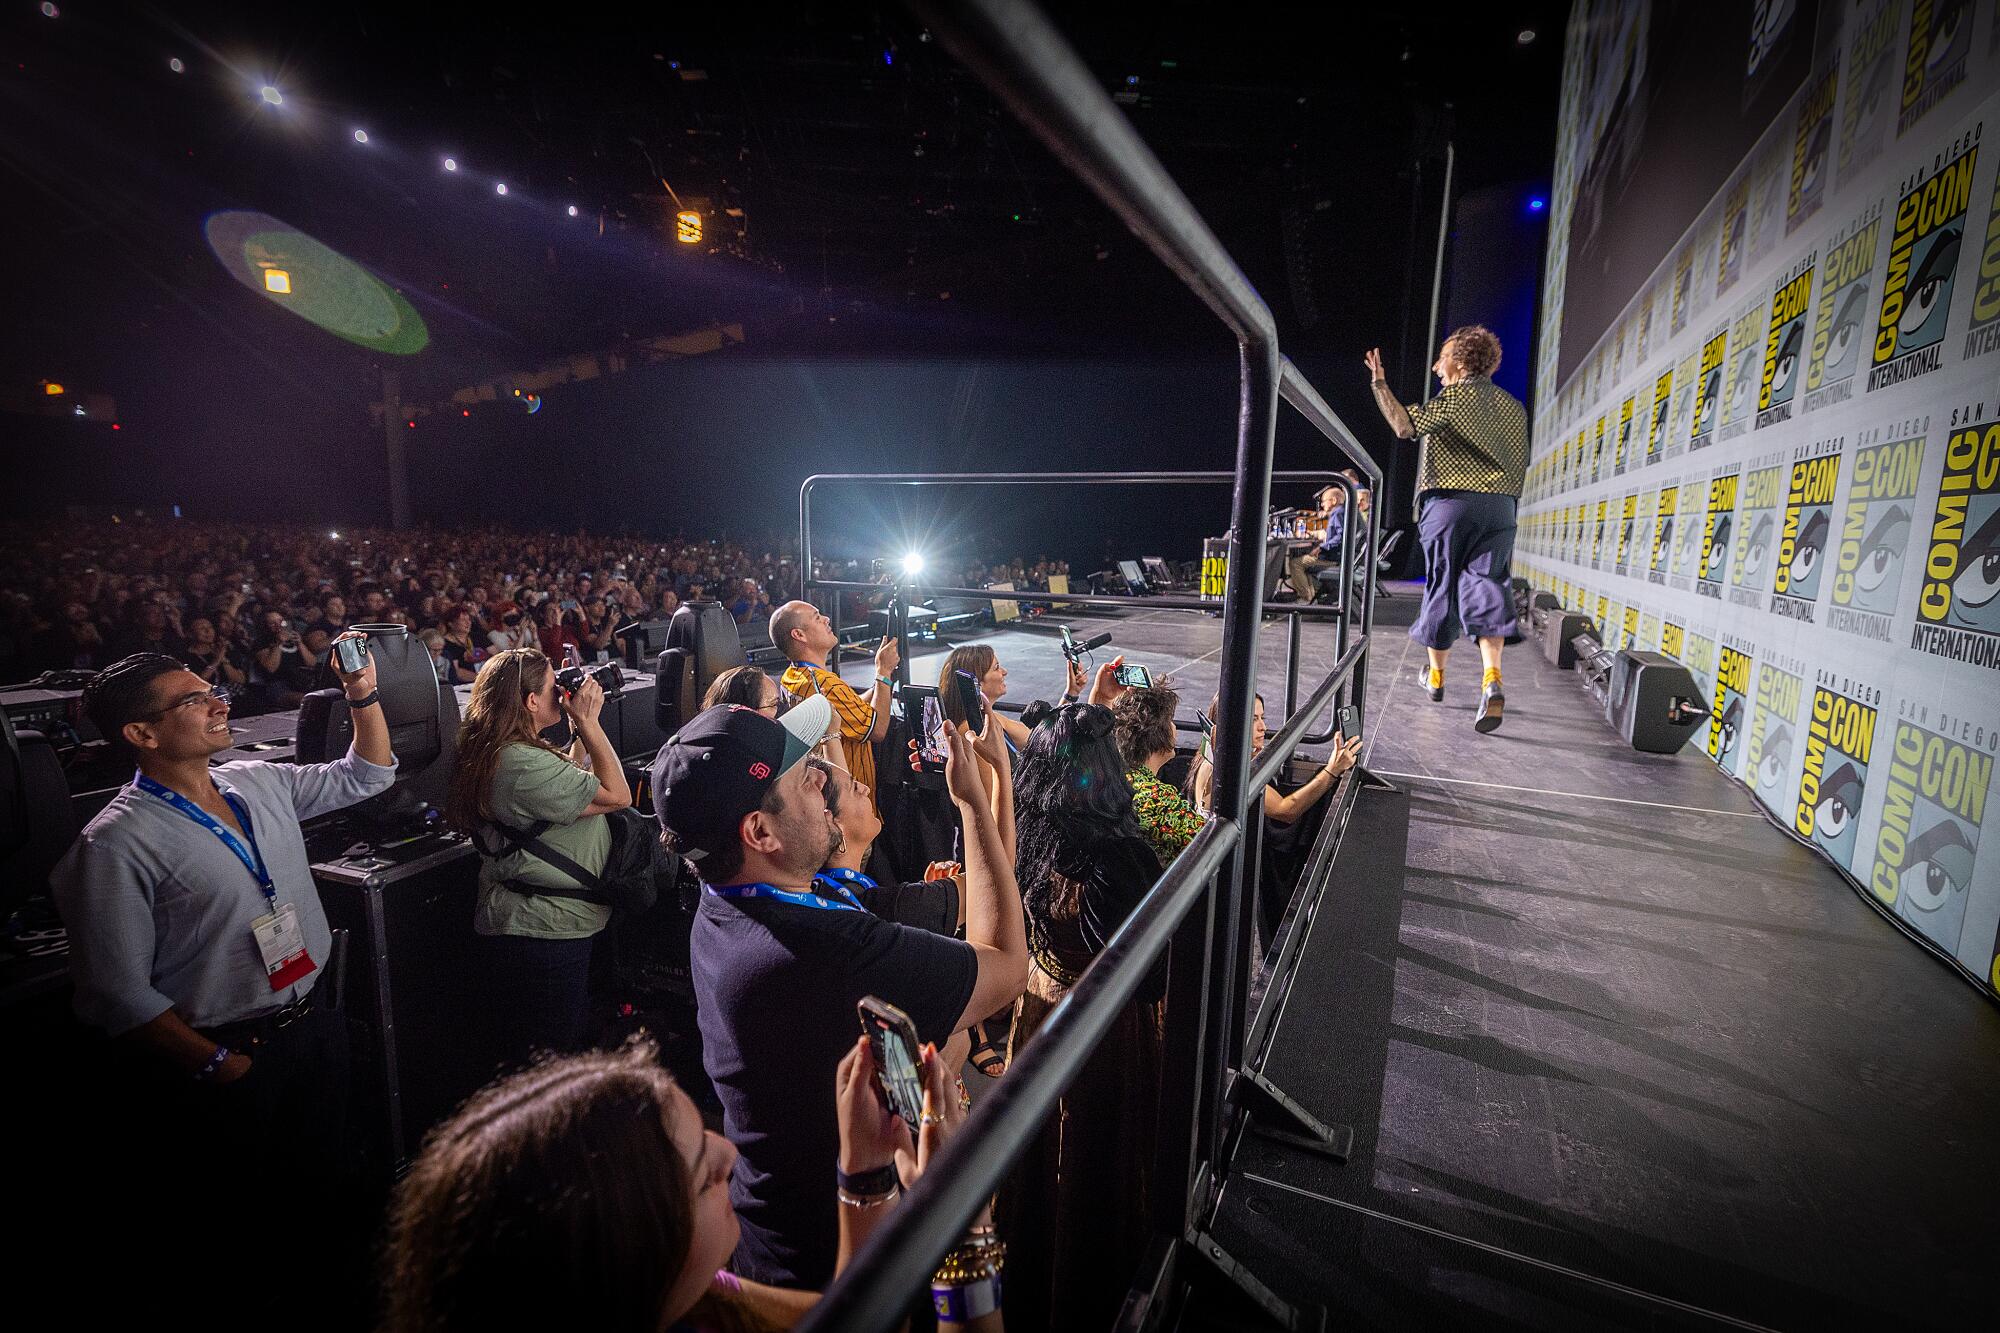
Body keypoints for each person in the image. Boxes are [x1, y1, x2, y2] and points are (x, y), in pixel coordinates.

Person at [50, 640, 394, 1319]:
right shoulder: (114, 843)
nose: (219, 700)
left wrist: (362, 692)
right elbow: (117, 993)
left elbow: (368, 775)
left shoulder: (256, 781)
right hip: (232, 1053)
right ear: (141, 733)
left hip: (314, 1025)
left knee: (323, 1203)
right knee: (246, 1234)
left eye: (213, 688)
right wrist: (219, 1065)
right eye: (193, 698)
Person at [653, 698, 1027, 1289]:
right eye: (806, 779)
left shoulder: (723, 899)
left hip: (777, 1240)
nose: (825, 780)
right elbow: (1006, 969)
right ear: (760, 833)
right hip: (840, 1277)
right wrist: (974, 801)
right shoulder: (818, 950)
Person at [380, 1036, 1002, 1333]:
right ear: (632, 1252)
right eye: (704, 1172)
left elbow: (852, 1324)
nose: (731, 1153)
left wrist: (864, 1171)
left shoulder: (703, 1298)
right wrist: (965, 1240)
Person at [999, 699, 1168, 1333]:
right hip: (1102, 1035)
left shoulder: (1034, 841)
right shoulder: (1119, 860)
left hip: (1040, 1012)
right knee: (1097, 1159)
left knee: (1041, 1161)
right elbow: (1147, 982)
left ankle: (1032, 1275)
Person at [445, 647, 633, 1069]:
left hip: (546, 926)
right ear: (531, 701)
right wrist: (588, 722)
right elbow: (616, 795)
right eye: (553, 686)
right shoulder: (518, 761)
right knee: (550, 1062)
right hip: (543, 932)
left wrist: (577, 732)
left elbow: (565, 784)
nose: (561, 692)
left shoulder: (505, 749)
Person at [1366, 325, 1528, 732]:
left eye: (1441, 357)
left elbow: (1404, 427)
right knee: (1488, 586)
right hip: (1502, 509)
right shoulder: (1513, 407)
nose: (1437, 366)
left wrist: (1380, 385)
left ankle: (1436, 678)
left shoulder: (1455, 396)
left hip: (1453, 504)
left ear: (1459, 361)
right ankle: (1492, 680)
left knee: (1442, 587)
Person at [769, 599, 898, 810]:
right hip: (849, 805)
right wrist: (883, 673)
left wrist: (880, 685)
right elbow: (878, 730)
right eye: (817, 618)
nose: (827, 619)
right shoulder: (824, 684)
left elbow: (851, 709)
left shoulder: (793, 677)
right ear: (799, 635)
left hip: (825, 800)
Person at [1188, 692, 1364, 823]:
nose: (1263, 727)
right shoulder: (1226, 770)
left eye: (1262, 718)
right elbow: (1286, 811)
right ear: (1231, 723)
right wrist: (1332, 770)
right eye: (1253, 719)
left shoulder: (1210, 757)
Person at [1110, 684, 1206, 863]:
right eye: (1170, 720)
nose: (1174, 726)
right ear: (1159, 732)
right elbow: (1212, 843)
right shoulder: (1157, 797)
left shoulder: (1117, 776)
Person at [936, 642, 1086, 756]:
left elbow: (1041, 736)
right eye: (996, 668)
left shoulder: (987, 720)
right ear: (976, 684)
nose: (1004, 672)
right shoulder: (974, 732)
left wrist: (1070, 694)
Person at [1284, 474, 1372, 605]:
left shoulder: (1337, 512)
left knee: (1296, 563)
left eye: (1324, 501)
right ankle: (1313, 594)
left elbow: (1339, 538)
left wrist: (1322, 547)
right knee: (1305, 560)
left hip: (1335, 559)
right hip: (1346, 558)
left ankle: (1304, 597)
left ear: (1334, 500)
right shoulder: (1346, 512)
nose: (1322, 505)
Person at [180, 615, 246, 688]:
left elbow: (240, 680)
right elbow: (197, 682)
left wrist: (223, 659)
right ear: (190, 634)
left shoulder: (222, 649)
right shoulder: (185, 657)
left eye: (210, 627)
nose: (208, 631)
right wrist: (217, 660)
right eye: (202, 628)